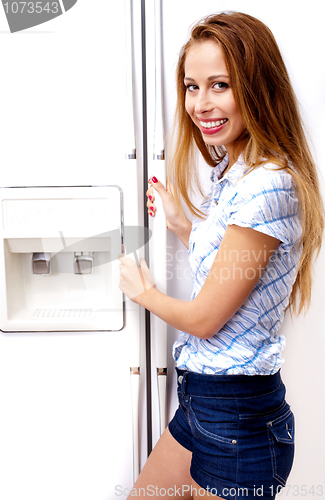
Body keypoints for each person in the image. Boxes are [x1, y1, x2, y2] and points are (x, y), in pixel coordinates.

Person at [119, 11, 324, 500]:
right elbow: (233, 263)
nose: (200, 103)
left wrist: (143, 292)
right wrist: (182, 225)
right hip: (203, 404)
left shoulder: (268, 183)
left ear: (257, 87)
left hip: (238, 421)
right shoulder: (236, 169)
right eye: (192, 86)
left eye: (219, 85)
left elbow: (208, 317)